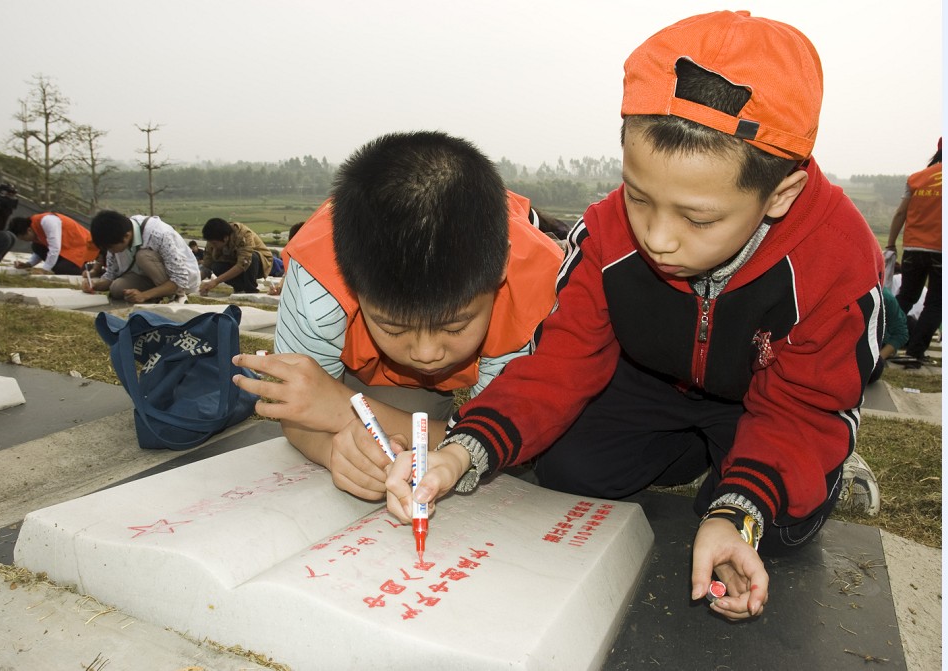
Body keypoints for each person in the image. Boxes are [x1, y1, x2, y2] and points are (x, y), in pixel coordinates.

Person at [386, 11, 885, 623]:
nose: (657, 238)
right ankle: (691, 452)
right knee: (571, 468)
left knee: (772, 524)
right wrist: (462, 451)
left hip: (767, 398)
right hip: (650, 377)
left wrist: (736, 512)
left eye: (697, 219)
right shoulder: (604, 233)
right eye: (639, 196)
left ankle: (763, 472)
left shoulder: (837, 260)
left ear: (780, 195)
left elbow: (805, 404)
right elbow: (562, 361)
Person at [231, 131, 564, 501]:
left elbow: (499, 434)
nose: (426, 353)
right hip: (369, 374)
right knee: (393, 433)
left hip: (406, 391)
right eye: (393, 326)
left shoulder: (534, 289)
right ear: (349, 278)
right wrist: (334, 453)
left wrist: (342, 408)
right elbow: (299, 413)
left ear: (501, 267)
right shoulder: (319, 284)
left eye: (455, 326)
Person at [885, 139, 941, 369]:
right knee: (936, 303)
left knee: (906, 296)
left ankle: (880, 336)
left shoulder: (917, 178)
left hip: (913, 248)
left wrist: (890, 244)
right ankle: (916, 352)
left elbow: (900, 214)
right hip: (941, 250)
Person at [86, 210, 200, 304]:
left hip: (181, 280)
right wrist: (94, 285)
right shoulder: (116, 238)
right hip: (148, 276)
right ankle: (157, 294)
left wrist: (144, 295)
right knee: (116, 288)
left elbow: (180, 278)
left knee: (143, 256)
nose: (110, 252)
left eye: (110, 248)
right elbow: (111, 274)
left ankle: (177, 296)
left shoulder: (159, 234)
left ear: (126, 236)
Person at [198, 218, 273, 295]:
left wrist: (215, 281)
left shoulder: (243, 234)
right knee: (216, 267)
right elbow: (207, 265)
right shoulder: (213, 240)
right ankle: (240, 288)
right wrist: (194, 283)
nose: (213, 246)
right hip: (234, 263)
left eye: (214, 243)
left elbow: (243, 264)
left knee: (252, 257)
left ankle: (251, 290)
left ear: (225, 238)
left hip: (259, 265)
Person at [9, 213, 100, 275]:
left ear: (28, 230)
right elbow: (41, 248)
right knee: (36, 246)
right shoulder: (35, 229)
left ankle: (93, 268)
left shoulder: (47, 221)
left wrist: (44, 270)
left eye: (23, 238)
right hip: (67, 249)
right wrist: (29, 264)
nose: (25, 241)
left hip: (81, 246)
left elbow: (54, 248)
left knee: (61, 269)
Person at [869, 287, 909, 384]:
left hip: (873, 348)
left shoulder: (885, 297)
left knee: (873, 372)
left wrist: (879, 359)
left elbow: (901, 334)